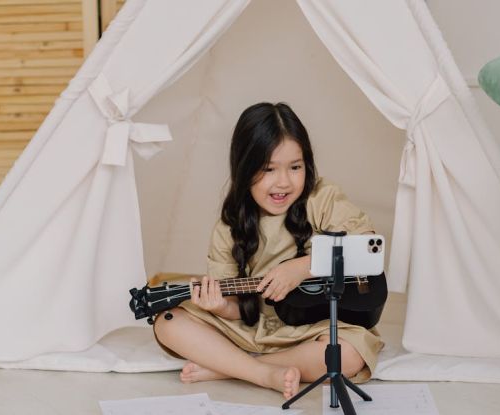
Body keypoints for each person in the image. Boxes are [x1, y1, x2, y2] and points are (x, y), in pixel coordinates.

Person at [154, 102, 384, 399]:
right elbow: (237, 309)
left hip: (311, 327)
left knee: (349, 355)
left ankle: (230, 367)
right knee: (168, 323)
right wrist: (220, 307)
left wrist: (303, 267)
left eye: (295, 167)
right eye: (268, 169)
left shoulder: (323, 198)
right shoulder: (229, 227)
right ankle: (263, 373)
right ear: (244, 169)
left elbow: (368, 248)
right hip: (253, 328)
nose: (284, 182)